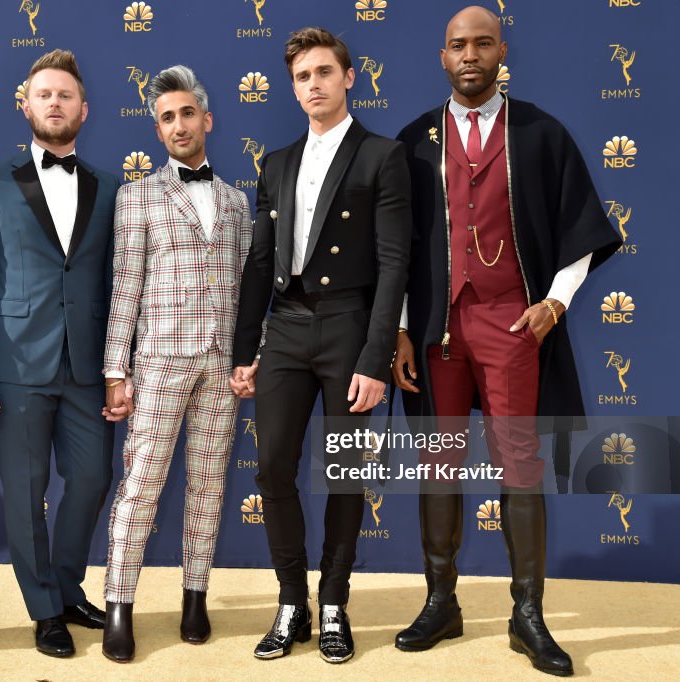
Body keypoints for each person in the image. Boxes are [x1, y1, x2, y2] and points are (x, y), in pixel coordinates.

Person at [391, 7, 621, 677]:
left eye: (482, 43)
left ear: (500, 51)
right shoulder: (413, 143)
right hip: (436, 330)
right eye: (458, 45)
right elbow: (396, 252)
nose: (470, 55)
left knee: (520, 467)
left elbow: (583, 227)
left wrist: (556, 301)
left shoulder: (542, 135)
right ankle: (441, 602)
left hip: (511, 324)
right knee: (439, 463)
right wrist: (403, 327)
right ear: (443, 57)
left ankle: (528, 615)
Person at [231, 27, 412, 664]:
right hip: (283, 327)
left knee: (342, 475)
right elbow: (258, 265)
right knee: (273, 466)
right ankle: (292, 601)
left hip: (349, 327)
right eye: (303, 76)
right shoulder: (275, 163)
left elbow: (395, 265)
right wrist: (243, 351)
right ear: (293, 86)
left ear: (349, 78)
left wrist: (375, 358)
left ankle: (334, 601)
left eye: (324, 73)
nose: (314, 84)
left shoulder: (381, 155)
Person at [0, 50, 118, 658]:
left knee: (94, 478)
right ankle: (44, 609)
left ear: (84, 109)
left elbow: (115, 284)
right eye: (43, 93)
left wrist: (119, 366)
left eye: (65, 95)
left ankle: (66, 586)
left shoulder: (110, 186)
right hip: (14, 364)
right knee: (24, 493)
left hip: (89, 367)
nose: (54, 102)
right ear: (26, 105)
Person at [100, 65, 252, 663]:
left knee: (209, 487)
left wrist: (249, 357)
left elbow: (247, 288)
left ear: (206, 120)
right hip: (159, 362)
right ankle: (119, 603)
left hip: (220, 365)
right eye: (166, 117)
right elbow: (125, 287)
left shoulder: (238, 202)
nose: (178, 125)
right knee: (140, 485)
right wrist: (117, 370)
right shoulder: (136, 196)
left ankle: (196, 595)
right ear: (158, 131)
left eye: (187, 113)